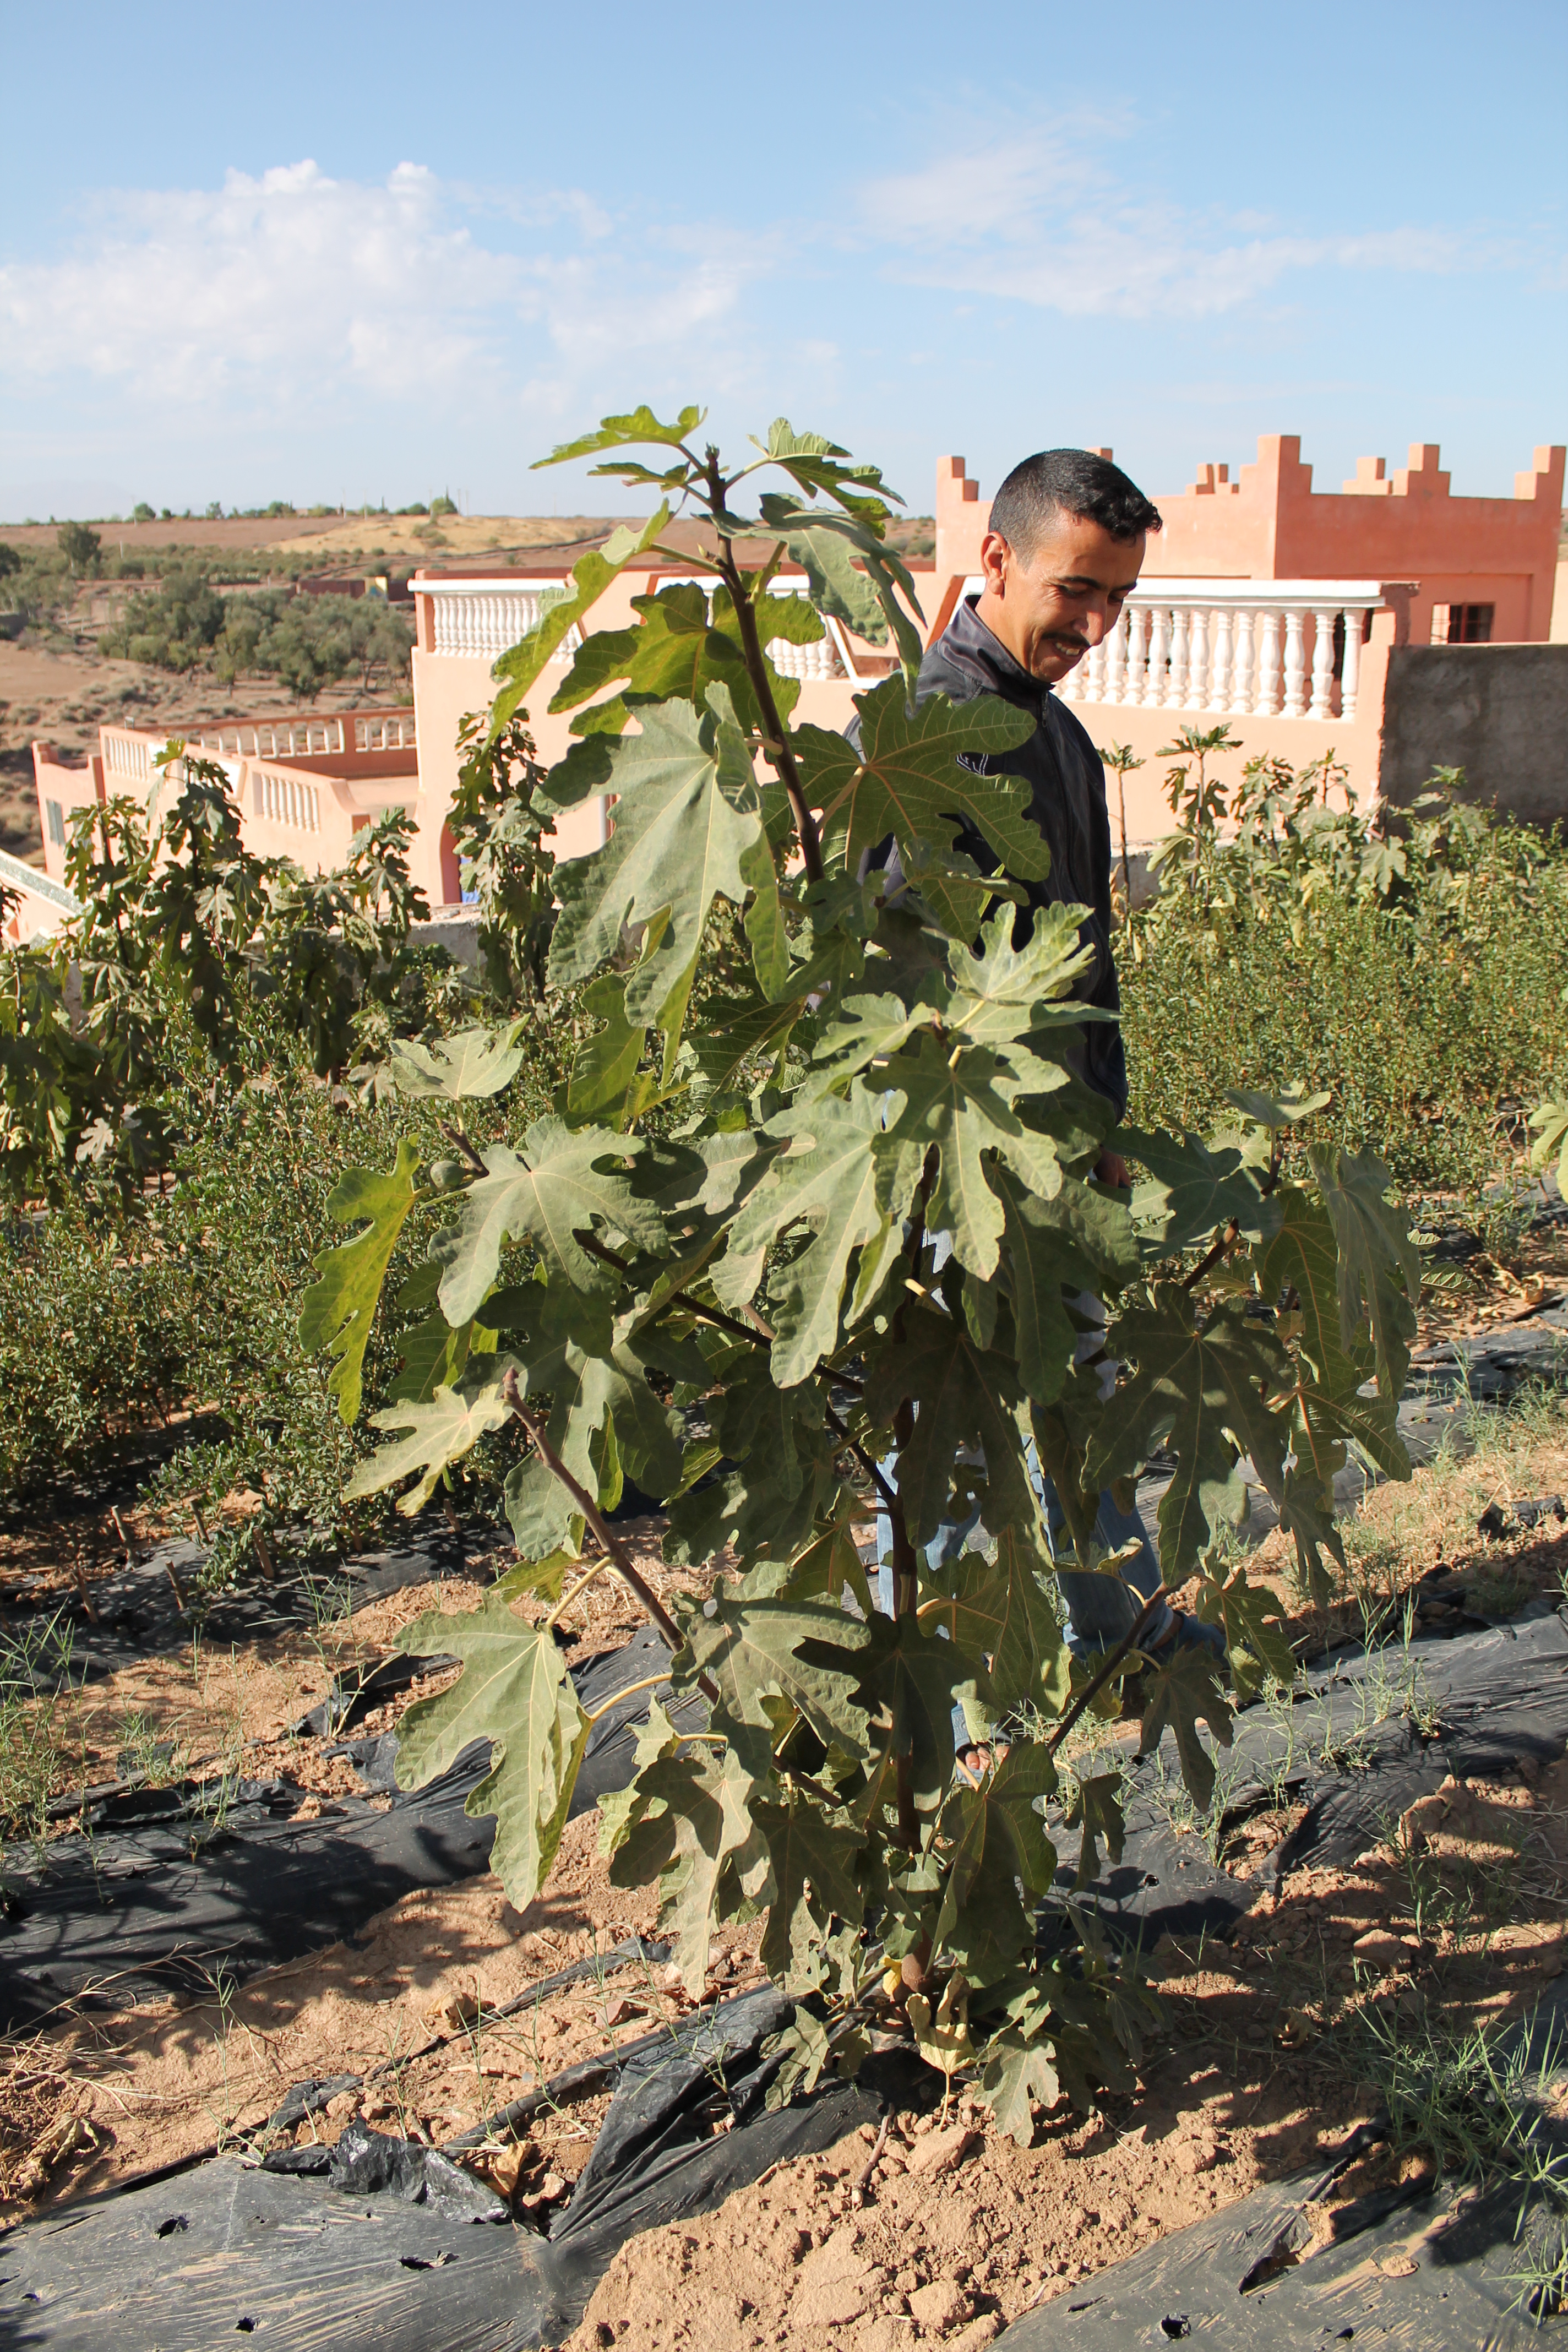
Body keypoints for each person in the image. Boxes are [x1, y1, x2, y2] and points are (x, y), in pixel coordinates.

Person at [865, 448, 1222, 1665]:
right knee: (953, 1424)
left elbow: (1088, 960)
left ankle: (1112, 1630)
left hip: (1063, 1142)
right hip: (956, 1156)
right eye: (1075, 589)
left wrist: (1110, 1128)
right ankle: (952, 1692)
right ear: (995, 558)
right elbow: (891, 976)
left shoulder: (1059, 737)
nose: (1094, 622)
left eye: (1116, 597)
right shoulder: (917, 735)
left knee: (1080, 1396)